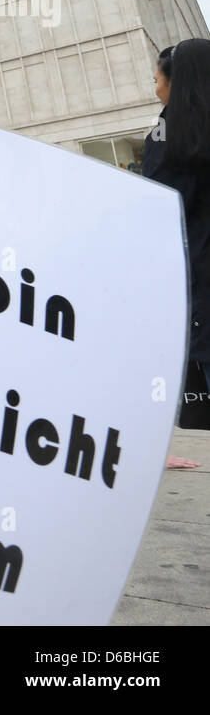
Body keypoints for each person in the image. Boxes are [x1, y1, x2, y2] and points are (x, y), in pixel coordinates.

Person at [144, 41, 210, 461]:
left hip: (194, 288)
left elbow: (153, 214)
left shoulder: (166, 138)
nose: (155, 90)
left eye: (157, 80)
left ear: (177, 83)